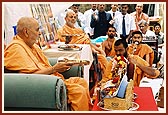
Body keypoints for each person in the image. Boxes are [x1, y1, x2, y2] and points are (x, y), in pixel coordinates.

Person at [4, 17, 92, 111]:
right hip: (40, 86)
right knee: (79, 92)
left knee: (81, 82)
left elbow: (43, 64)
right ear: (26, 32)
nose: (39, 33)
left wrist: (61, 65)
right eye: (37, 30)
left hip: (50, 78)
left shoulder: (32, 46)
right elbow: (28, 77)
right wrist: (54, 69)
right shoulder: (16, 49)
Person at [57, 10, 108, 79]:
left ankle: (104, 80)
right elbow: (64, 45)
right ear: (65, 19)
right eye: (71, 17)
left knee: (102, 58)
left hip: (88, 52)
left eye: (75, 17)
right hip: (75, 55)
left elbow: (88, 42)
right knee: (100, 59)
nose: (73, 19)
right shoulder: (61, 31)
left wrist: (98, 49)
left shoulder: (79, 30)